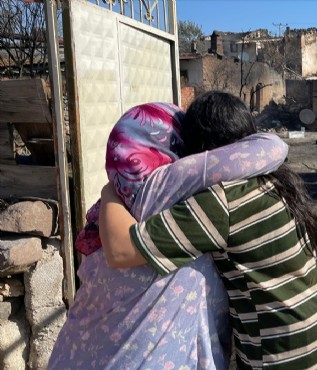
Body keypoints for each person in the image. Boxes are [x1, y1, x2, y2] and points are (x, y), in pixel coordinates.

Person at [99, 91, 317, 369]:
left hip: (288, 355)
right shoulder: (275, 177)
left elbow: (120, 250)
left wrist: (111, 188)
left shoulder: (222, 201)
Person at [49, 102, 288, 369]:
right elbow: (271, 148)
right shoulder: (173, 187)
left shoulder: (107, 213)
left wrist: (109, 190)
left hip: (69, 356)